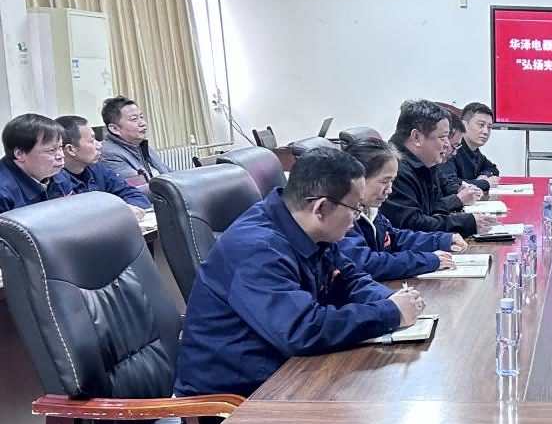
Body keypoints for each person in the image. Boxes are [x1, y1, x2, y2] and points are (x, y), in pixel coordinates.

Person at [174, 148, 420, 398]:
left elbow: (348, 278)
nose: (357, 218)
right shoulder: (257, 249)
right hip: (235, 400)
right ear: (321, 208)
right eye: (355, 208)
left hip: (288, 376)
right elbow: (301, 330)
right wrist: (389, 313)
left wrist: (390, 300)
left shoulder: (310, 229)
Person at [339, 137, 464, 281]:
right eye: (384, 182)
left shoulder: (368, 208)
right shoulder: (341, 217)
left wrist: (441, 240)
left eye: (392, 181)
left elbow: (393, 239)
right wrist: (427, 261)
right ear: (358, 179)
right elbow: (366, 264)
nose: (389, 190)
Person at [381, 99, 496, 238]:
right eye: (442, 137)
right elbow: (412, 225)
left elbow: (435, 206)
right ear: (417, 137)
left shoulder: (425, 162)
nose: (447, 145)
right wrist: (468, 222)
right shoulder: (394, 169)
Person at [55, 115, 152, 221]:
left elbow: (135, 195)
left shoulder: (97, 169)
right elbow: (74, 220)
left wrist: (127, 209)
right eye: (92, 140)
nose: (99, 145)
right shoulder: (56, 181)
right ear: (71, 149)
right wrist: (117, 213)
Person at [0, 113, 75, 214]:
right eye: (51, 150)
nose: (61, 155)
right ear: (20, 154)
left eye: (60, 147)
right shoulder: (3, 192)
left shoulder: (60, 174)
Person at [98, 96, 170, 180]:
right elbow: (138, 184)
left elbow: (169, 173)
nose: (143, 123)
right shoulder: (108, 154)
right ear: (114, 128)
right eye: (134, 119)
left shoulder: (140, 144)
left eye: (141, 117)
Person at [435, 110, 482, 211]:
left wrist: (459, 189)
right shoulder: (405, 168)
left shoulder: (430, 166)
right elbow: (425, 212)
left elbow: (445, 184)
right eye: (442, 138)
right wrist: (458, 199)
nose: (485, 131)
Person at [454, 102, 500, 192]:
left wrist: (484, 175)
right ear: (464, 125)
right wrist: (485, 183)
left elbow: (493, 169)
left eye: (489, 127)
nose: (486, 132)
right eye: (481, 125)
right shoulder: (451, 149)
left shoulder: (475, 152)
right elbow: (450, 183)